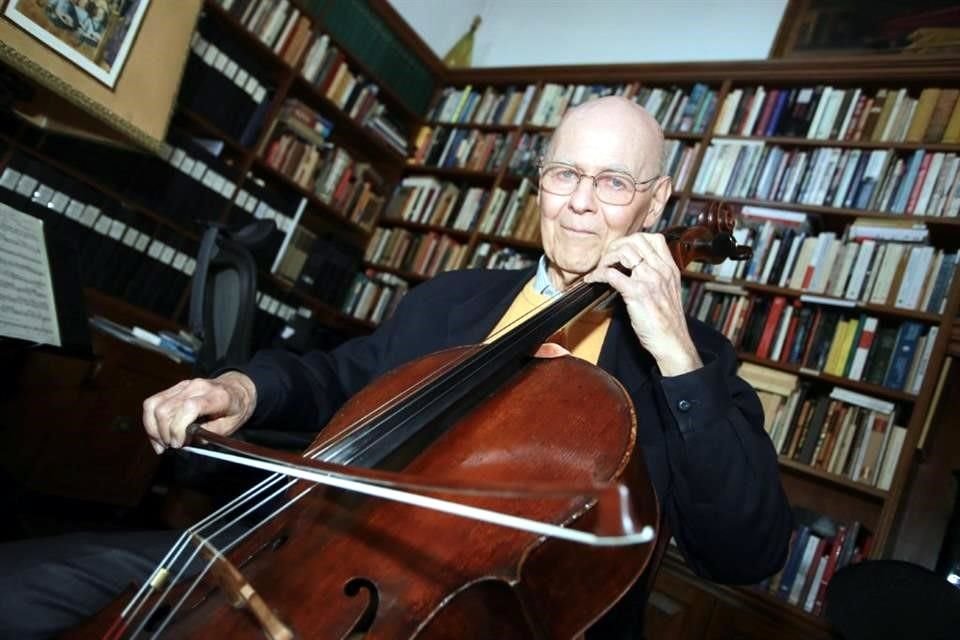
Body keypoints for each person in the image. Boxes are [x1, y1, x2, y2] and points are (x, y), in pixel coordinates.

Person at [0, 97, 792, 638]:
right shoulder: (452, 301)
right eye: (564, 174)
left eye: (613, 182)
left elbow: (745, 549)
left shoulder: (695, 362)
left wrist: (677, 357)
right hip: (312, 563)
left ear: (653, 206)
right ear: (539, 184)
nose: (581, 201)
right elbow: (340, 377)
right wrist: (241, 386)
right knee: (27, 584)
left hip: (494, 626)